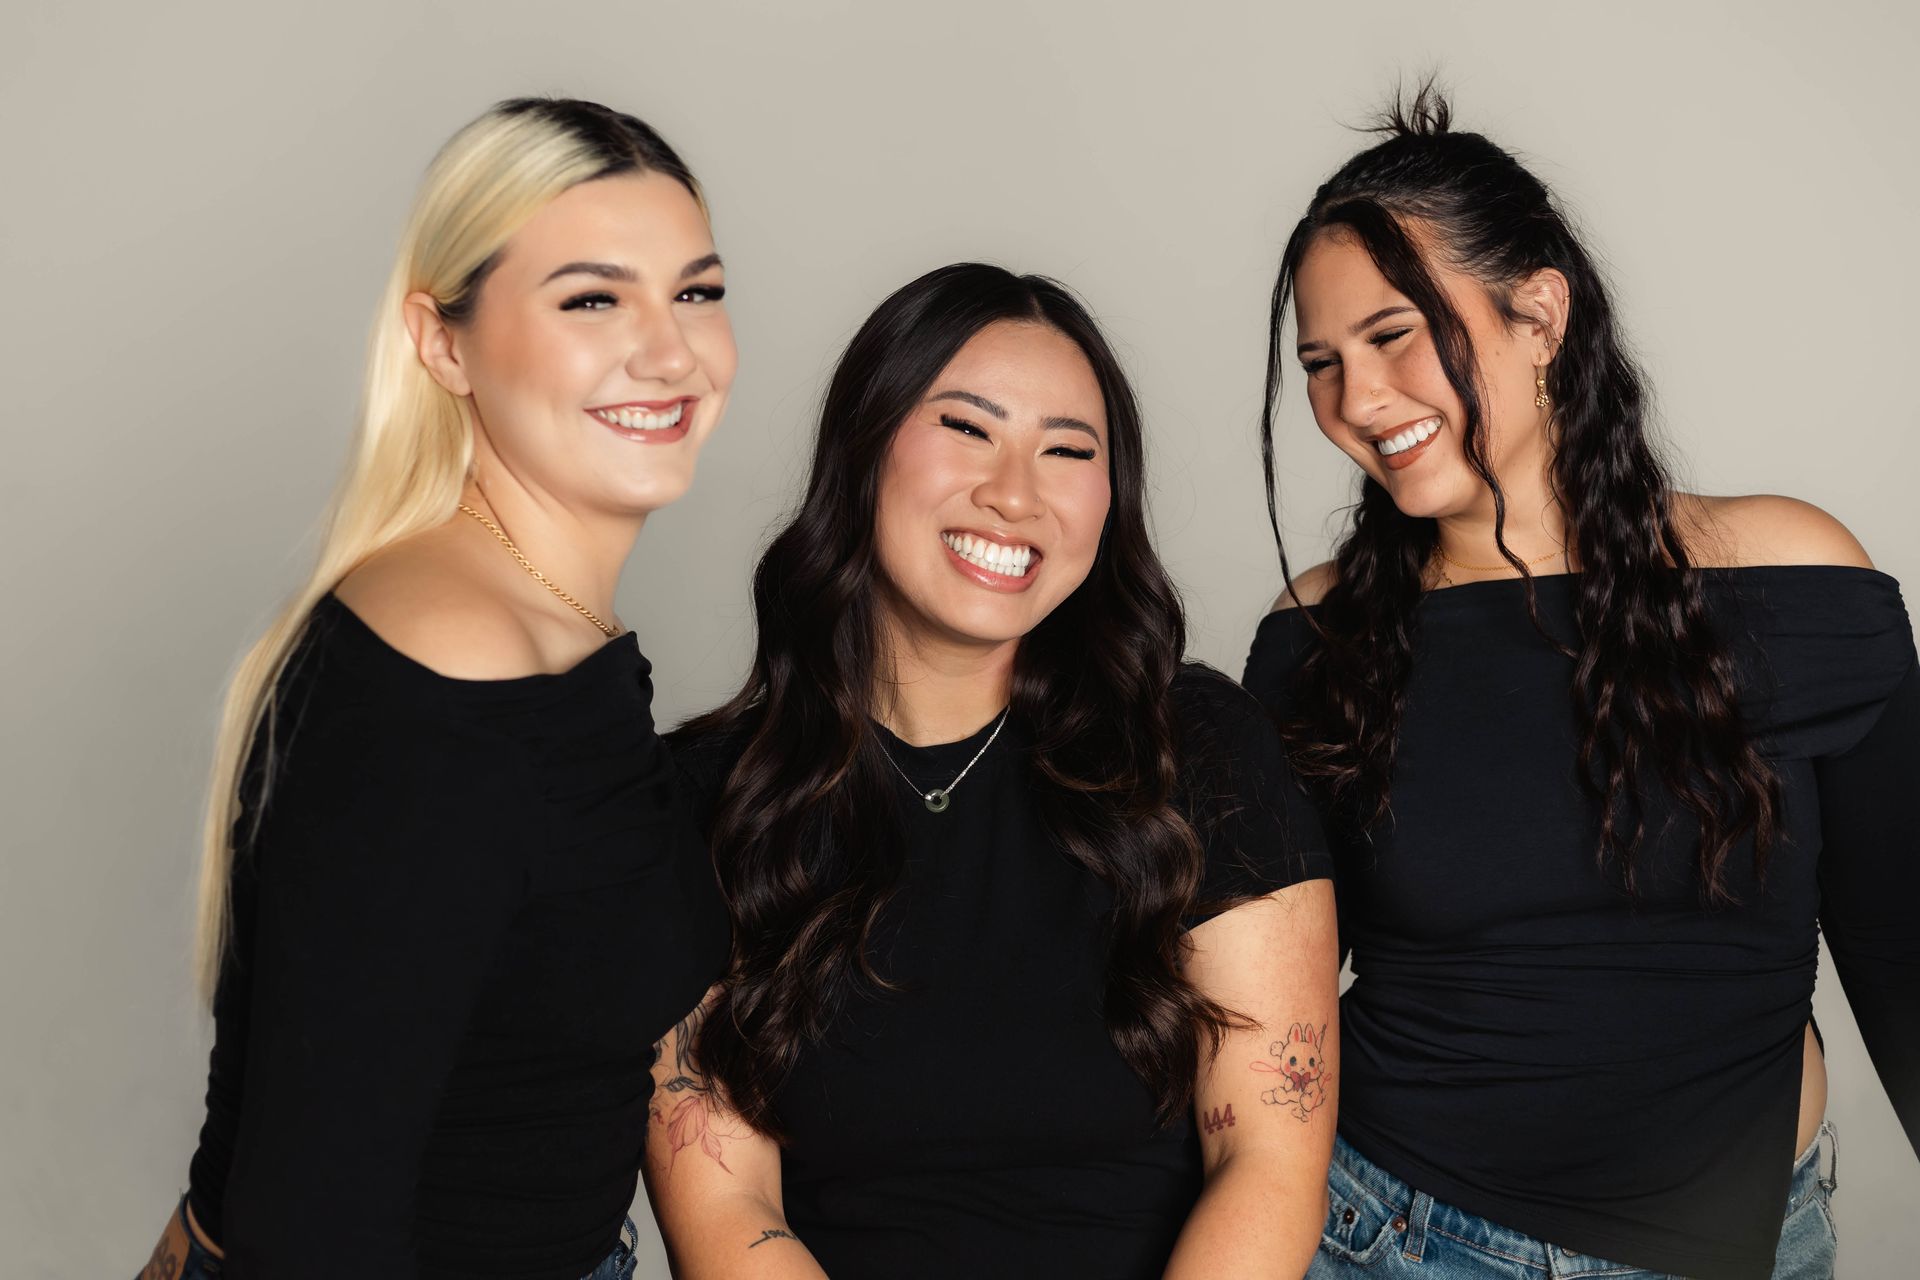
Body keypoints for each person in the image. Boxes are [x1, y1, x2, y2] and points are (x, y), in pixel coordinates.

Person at [1242, 85, 1918, 1279]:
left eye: (1394, 335)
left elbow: (1905, 947)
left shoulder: (1795, 581)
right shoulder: (1318, 634)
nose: (1356, 400)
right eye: (1321, 362)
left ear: (1540, 311)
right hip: (1401, 1237)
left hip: (1756, 1238)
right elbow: (1255, 1004)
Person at [138, 97, 735, 1280]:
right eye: (592, 298)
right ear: (442, 339)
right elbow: (316, 1225)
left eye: (698, 291)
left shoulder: (545, 630)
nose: (670, 351)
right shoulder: (450, 670)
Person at [646, 262, 1340, 1280]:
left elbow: (1270, 1158)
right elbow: (725, 1203)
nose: (1013, 493)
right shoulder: (708, 796)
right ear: (865, 447)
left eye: (1067, 449)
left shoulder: (1199, 747)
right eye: (967, 428)